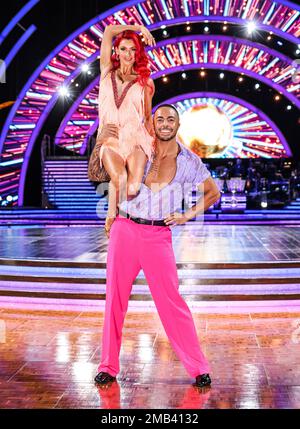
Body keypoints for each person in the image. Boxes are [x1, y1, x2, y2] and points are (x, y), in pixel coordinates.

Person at [94, 104, 221, 388]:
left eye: (171, 119)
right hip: (125, 229)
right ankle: (108, 366)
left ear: (178, 124)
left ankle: (199, 367)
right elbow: (117, 179)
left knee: (172, 302)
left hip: (158, 235)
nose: (165, 123)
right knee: (115, 300)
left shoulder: (190, 162)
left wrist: (187, 214)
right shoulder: (138, 147)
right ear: (153, 123)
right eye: (160, 118)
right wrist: (112, 212)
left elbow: (214, 192)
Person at [97, 24, 156, 236]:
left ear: (138, 53)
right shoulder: (106, 71)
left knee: (132, 187)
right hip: (111, 138)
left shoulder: (146, 82)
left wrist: (155, 145)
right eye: (123, 49)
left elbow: (148, 117)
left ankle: (119, 217)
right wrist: (139, 27)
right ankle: (114, 217)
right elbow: (108, 31)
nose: (128, 54)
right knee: (119, 179)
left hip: (136, 139)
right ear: (116, 51)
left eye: (133, 49)